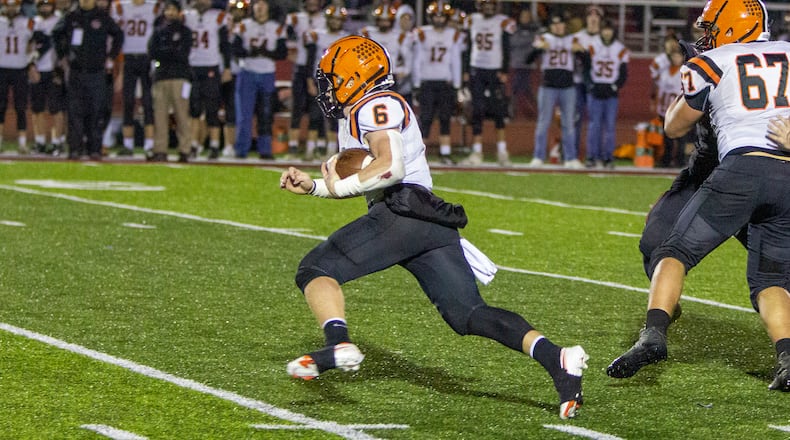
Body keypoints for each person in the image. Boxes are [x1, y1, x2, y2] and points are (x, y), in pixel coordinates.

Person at [279, 35, 589, 419]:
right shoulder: (362, 110)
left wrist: (339, 184)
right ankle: (559, 359)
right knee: (468, 314)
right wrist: (314, 187)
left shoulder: (374, 105)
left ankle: (338, 343)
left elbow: (390, 168)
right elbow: (371, 178)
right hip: (427, 222)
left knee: (315, 268)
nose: (327, 89)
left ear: (355, 76)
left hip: (401, 215)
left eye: (332, 79)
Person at [607, 0, 790, 392]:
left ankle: (653, 335)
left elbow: (673, 126)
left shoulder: (713, 61)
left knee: (674, 250)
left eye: (712, 28)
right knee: (771, 278)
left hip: (739, 172)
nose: (705, 37)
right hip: (784, 176)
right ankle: (787, 358)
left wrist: (694, 83)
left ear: (732, 27)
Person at [52, 0, 124, 160]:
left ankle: (95, 148)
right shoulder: (71, 16)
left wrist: (111, 56)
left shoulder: (102, 17)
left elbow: (119, 35)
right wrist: (62, 55)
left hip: (97, 71)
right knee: (74, 111)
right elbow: (56, 33)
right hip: (76, 70)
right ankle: (75, 148)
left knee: (96, 111)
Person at [458, 0, 515, 166]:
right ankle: (477, 151)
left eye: (491, 4)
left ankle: (502, 151)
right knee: (477, 110)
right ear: (480, 6)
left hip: (495, 70)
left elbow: (506, 47)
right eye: (486, 4)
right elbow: (468, 47)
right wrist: (466, 70)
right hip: (477, 69)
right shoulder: (472, 20)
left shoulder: (502, 21)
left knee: (499, 110)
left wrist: (504, 70)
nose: (489, 7)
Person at [526, 13, 585, 168]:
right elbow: (528, 59)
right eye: (554, 24)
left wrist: (580, 51)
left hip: (568, 86)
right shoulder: (544, 38)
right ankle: (538, 156)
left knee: (569, 123)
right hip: (548, 85)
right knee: (543, 122)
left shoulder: (572, 39)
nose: (558, 27)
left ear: (565, 25)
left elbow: (587, 62)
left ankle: (570, 157)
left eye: (560, 24)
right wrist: (539, 49)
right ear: (550, 26)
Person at [231, 0, 286, 158]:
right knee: (244, 114)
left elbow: (282, 52)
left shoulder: (276, 27)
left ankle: (265, 149)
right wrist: (251, 53)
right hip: (247, 72)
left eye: (263, 4)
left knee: (266, 114)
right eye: (257, 4)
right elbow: (235, 49)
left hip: (267, 73)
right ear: (253, 8)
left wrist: (266, 53)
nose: (260, 7)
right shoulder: (244, 25)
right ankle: (241, 149)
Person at [412, 0, 462, 165]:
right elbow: (417, 60)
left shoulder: (453, 34)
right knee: (425, 118)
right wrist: (417, 83)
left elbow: (455, 60)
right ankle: (419, 155)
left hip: (445, 82)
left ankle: (445, 153)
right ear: (430, 17)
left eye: (442, 16)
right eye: (436, 16)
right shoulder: (422, 33)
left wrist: (457, 84)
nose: (439, 19)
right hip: (427, 81)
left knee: (445, 118)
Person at [182, 0, 232, 159]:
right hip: (192, 67)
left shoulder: (218, 16)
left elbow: (225, 44)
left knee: (212, 109)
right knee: (194, 109)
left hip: (211, 66)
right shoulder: (187, 16)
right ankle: (193, 144)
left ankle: (214, 145)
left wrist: (227, 67)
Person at [110, 0, 159, 157]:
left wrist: (156, 59)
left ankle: (149, 144)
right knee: (128, 102)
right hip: (128, 58)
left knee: (148, 102)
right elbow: (116, 34)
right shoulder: (120, 7)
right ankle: (128, 144)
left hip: (147, 57)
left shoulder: (154, 6)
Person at [0, 0, 49, 154]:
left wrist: (33, 58)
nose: (11, 9)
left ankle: (22, 143)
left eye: (14, 5)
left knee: (21, 107)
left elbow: (44, 41)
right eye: (8, 5)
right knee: (0, 106)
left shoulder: (29, 22)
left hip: (20, 69)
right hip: (1, 68)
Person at [148, 0, 192, 162]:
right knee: (160, 116)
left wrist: (165, 53)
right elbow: (152, 52)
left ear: (179, 12)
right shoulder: (158, 31)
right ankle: (160, 149)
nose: (170, 13)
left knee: (182, 115)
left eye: (173, 9)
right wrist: (170, 51)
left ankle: (185, 149)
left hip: (180, 76)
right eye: (168, 10)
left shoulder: (185, 31)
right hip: (161, 77)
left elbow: (183, 54)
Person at [303, 4, 348, 160]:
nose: (335, 22)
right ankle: (310, 150)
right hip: (320, 80)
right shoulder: (317, 35)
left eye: (338, 19)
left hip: (338, 82)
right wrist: (309, 80)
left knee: (335, 117)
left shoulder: (346, 38)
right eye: (333, 19)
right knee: (314, 115)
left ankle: (331, 152)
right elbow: (310, 60)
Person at [582, 19, 628, 169]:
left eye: (609, 29)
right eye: (605, 29)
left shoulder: (620, 49)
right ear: (601, 31)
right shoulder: (592, 46)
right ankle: (591, 156)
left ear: (613, 31)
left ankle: (608, 157)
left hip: (611, 92)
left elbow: (623, 74)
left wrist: (615, 86)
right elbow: (586, 69)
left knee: (609, 126)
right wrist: (590, 85)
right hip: (595, 90)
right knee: (594, 126)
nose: (607, 32)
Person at [283, 0, 325, 160]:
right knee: (297, 108)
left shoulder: (325, 19)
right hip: (300, 67)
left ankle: (317, 147)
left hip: (319, 69)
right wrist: (291, 51)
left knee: (319, 110)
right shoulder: (295, 18)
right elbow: (286, 39)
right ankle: (293, 147)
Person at [30, 0, 65, 155]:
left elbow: (63, 45)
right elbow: (28, 45)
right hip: (37, 69)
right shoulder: (33, 22)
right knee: (37, 108)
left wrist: (60, 69)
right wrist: (31, 66)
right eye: (43, 5)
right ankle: (40, 141)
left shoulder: (59, 20)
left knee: (56, 108)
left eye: (48, 5)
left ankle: (57, 142)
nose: (45, 8)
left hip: (54, 69)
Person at [571, 5, 602, 160]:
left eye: (596, 15)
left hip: (595, 83)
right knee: (575, 118)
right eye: (590, 15)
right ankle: (572, 154)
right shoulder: (577, 37)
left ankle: (593, 155)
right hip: (577, 80)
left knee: (595, 120)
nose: (593, 18)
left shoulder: (604, 39)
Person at [508, 7, 540, 119]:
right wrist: (528, 40)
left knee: (523, 88)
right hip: (516, 64)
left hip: (528, 64)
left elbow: (537, 44)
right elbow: (512, 42)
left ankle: (536, 110)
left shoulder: (535, 29)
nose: (525, 18)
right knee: (521, 88)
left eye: (527, 16)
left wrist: (524, 41)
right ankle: (513, 111)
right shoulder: (514, 28)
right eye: (523, 16)